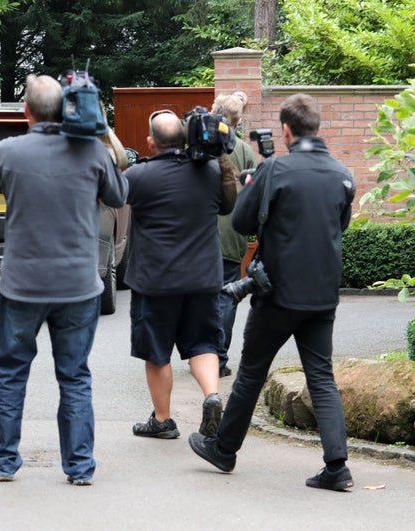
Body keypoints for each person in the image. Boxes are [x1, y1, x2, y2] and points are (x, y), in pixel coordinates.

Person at [188, 93, 356, 491]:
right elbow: (340, 225)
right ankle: (338, 466)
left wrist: (250, 186)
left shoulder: (275, 169)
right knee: (321, 376)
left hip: (277, 293)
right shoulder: (342, 173)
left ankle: (223, 450)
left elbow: (243, 220)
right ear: (316, 128)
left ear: (285, 130)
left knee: (250, 373)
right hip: (322, 295)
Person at [0, 74, 128, 486]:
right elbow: (119, 195)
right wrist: (102, 135)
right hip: (78, 286)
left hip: (21, 284)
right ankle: (80, 467)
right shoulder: (91, 152)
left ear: (26, 111)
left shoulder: (9, 151)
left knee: (11, 372)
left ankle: (4, 462)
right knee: (75, 375)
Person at [125, 109, 237, 440]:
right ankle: (212, 396)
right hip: (203, 277)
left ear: (150, 141)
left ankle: (162, 420)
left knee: (156, 351)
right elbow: (228, 207)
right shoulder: (212, 171)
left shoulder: (139, 175)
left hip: (155, 280)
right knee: (203, 342)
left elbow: (109, 195)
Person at [211, 94, 258, 377]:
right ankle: (218, 358)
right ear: (238, 121)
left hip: (197, 234)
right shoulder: (244, 150)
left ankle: (200, 354)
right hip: (231, 234)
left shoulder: (198, 145)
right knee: (227, 296)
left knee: (201, 296)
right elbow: (252, 194)